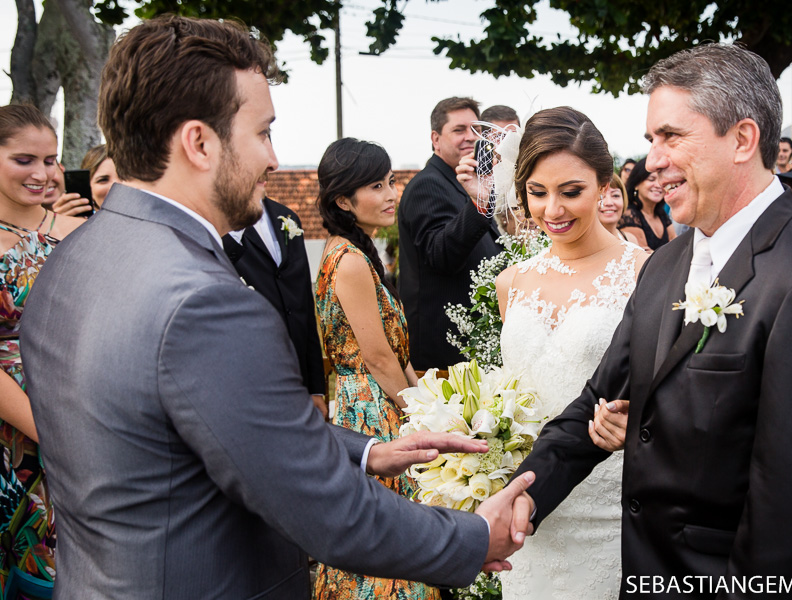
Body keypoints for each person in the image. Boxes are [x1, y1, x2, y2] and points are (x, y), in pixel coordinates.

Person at [18, 16, 535, 599]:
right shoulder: (205, 302)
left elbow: (206, 428)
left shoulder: (67, 261)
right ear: (199, 143)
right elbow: (329, 513)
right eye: (262, 132)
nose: (273, 157)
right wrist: (470, 536)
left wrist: (367, 450)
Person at [515, 43, 792, 598]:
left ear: (742, 139)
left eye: (671, 136)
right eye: (650, 140)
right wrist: (522, 496)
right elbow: (597, 400)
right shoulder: (664, 265)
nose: (653, 160)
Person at [489, 107, 647, 600]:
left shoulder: (647, 273)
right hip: (529, 506)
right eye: (537, 193)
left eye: (571, 191)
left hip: (610, 506)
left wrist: (636, 422)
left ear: (605, 185)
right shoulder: (510, 283)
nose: (552, 209)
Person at [313, 138, 438, 600]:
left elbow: (395, 354)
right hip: (369, 408)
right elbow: (378, 356)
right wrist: (420, 415)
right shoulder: (347, 261)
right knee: (386, 536)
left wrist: (427, 407)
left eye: (390, 181)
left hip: (374, 398)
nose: (390, 194)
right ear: (343, 201)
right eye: (375, 185)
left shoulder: (355, 251)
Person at [0, 103, 83, 598]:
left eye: (50, 160)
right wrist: (50, 431)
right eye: (24, 160)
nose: (42, 173)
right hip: (16, 434)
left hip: (83, 415)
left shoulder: (77, 231)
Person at [398, 97, 500, 370]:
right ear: (435, 138)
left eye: (475, 130)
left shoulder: (468, 181)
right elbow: (441, 255)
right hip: (441, 352)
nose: (469, 138)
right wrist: (478, 204)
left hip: (473, 346)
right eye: (459, 130)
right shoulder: (427, 185)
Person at [223, 196, 328, 419]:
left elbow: (304, 306)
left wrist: (315, 387)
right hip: (251, 375)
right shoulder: (221, 220)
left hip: (298, 374)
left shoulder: (288, 217)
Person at [619, 157, 675, 251]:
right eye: (651, 179)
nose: (658, 185)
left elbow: (676, 243)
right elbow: (644, 255)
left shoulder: (661, 214)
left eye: (661, 180)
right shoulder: (629, 215)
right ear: (636, 184)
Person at [53, 144, 120, 216]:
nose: (116, 186)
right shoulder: (79, 224)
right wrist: (59, 224)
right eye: (103, 180)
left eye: (125, 178)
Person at [599, 173, 640, 245]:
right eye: (602, 196)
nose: (609, 203)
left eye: (615, 195)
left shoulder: (631, 239)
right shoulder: (580, 246)